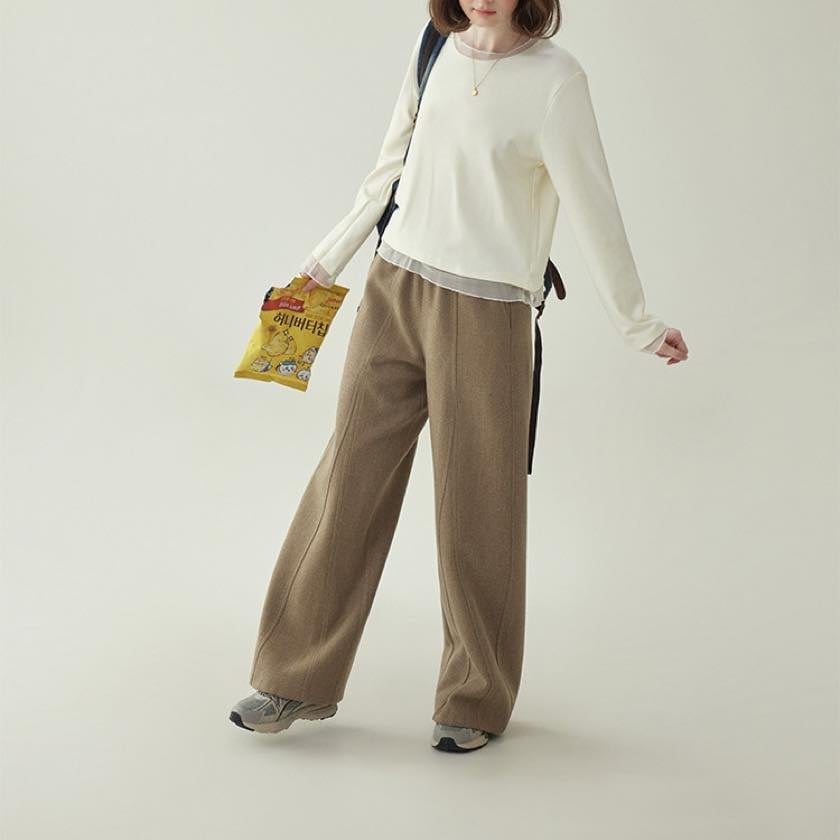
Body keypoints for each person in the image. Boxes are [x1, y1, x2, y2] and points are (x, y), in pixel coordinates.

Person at [230, 0, 690, 754]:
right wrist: (321, 265)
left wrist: (636, 322)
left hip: (488, 310)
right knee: (347, 478)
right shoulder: (433, 47)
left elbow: (593, 204)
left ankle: (474, 697)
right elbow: (387, 172)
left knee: (481, 500)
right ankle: (293, 678)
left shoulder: (557, 81)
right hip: (393, 287)